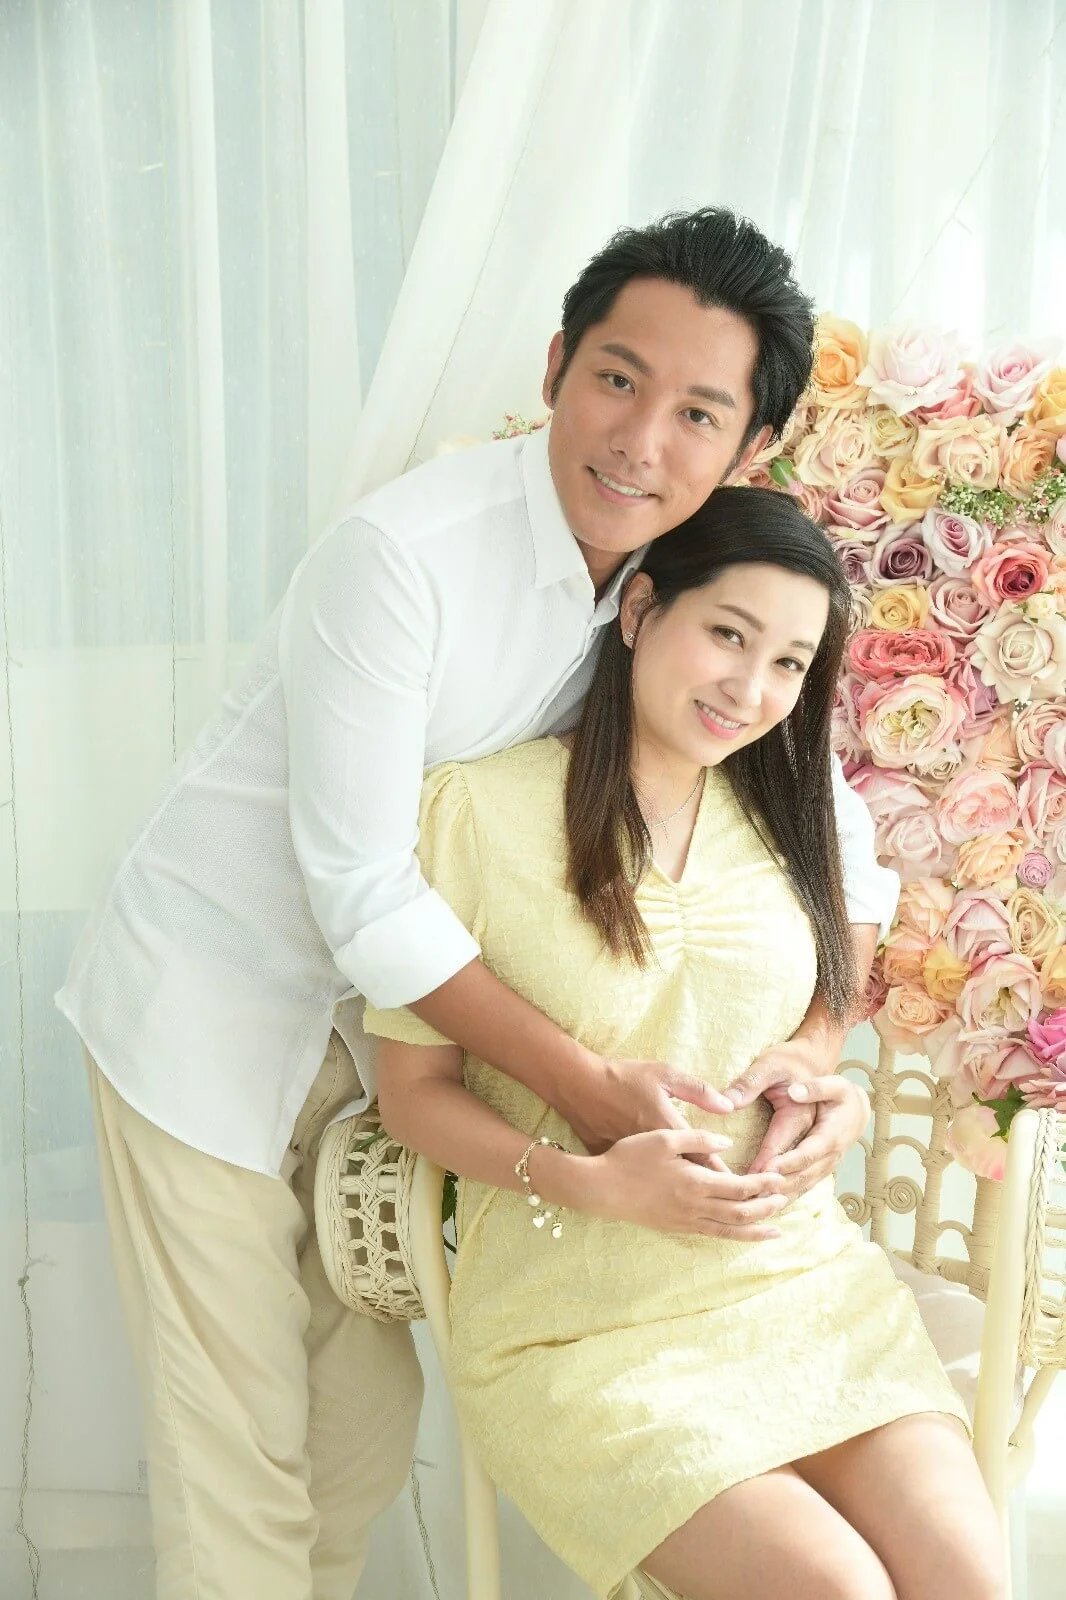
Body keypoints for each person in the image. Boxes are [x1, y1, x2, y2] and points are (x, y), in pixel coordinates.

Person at [56, 208, 897, 1597]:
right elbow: (362, 891)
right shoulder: (401, 558)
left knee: (352, 1450)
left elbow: (838, 834)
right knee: (238, 1464)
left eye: (696, 412)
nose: (639, 440)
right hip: (209, 1006)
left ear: (749, 447)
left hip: (385, 1038)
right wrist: (588, 1089)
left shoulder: (674, 579)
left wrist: (816, 1045)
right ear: (557, 364)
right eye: (616, 378)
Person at [368, 488, 1005, 1600]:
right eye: (727, 634)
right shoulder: (472, 811)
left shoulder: (796, 818)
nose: (749, 689)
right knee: (839, 1590)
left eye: (788, 663)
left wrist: (826, 1081)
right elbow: (411, 1091)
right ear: (639, 610)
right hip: (580, 1324)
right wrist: (591, 1182)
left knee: (967, 1576)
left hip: (803, 1287)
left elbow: (826, 1006)